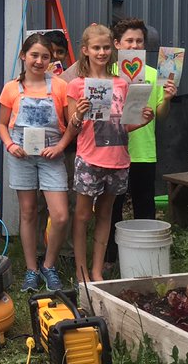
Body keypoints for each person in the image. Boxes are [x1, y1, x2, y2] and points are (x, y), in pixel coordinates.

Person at [66, 24, 153, 284]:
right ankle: (81, 269)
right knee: (82, 216)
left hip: (118, 160)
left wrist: (144, 120)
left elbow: (124, 124)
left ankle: (97, 269)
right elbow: (72, 128)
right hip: (90, 159)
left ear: (111, 49)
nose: (102, 52)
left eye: (105, 47)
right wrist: (78, 114)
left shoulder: (121, 83)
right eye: (96, 48)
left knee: (105, 215)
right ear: (85, 51)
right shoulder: (77, 85)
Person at [0, 33, 77, 293]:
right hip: (21, 156)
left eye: (45, 56)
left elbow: (72, 126)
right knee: (28, 211)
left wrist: (61, 147)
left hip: (51, 157)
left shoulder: (61, 87)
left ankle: (49, 265)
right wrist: (10, 145)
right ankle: (32, 269)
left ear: (50, 59)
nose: (39, 61)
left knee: (61, 215)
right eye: (34, 55)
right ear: (23, 56)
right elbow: (1, 124)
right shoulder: (11, 88)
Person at [104, 18, 176, 269]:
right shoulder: (108, 74)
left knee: (144, 205)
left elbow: (161, 114)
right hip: (113, 151)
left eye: (139, 41)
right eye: (129, 41)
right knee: (112, 206)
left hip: (144, 152)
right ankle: (110, 257)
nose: (134, 46)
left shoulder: (155, 74)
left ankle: (147, 259)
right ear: (116, 44)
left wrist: (165, 99)